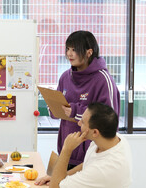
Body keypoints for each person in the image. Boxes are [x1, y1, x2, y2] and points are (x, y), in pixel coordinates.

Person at [50, 30, 120, 170]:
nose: (69, 54)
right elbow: (59, 111)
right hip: (66, 152)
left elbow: (109, 119)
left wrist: (74, 111)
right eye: (68, 49)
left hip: (91, 157)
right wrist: (54, 108)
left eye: (74, 49)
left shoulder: (103, 79)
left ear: (89, 52)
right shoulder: (65, 76)